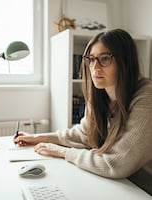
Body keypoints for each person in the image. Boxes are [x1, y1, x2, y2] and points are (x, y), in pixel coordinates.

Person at [14, 29, 152, 195]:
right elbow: (83, 135)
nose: (95, 67)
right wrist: (39, 138)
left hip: (142, 191)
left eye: (105, 59)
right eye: (91, 59)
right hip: (117, 184)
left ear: (125, 61)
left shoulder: (147, 98)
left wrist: (61, 152)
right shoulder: (101, 96)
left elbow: (116, 164)